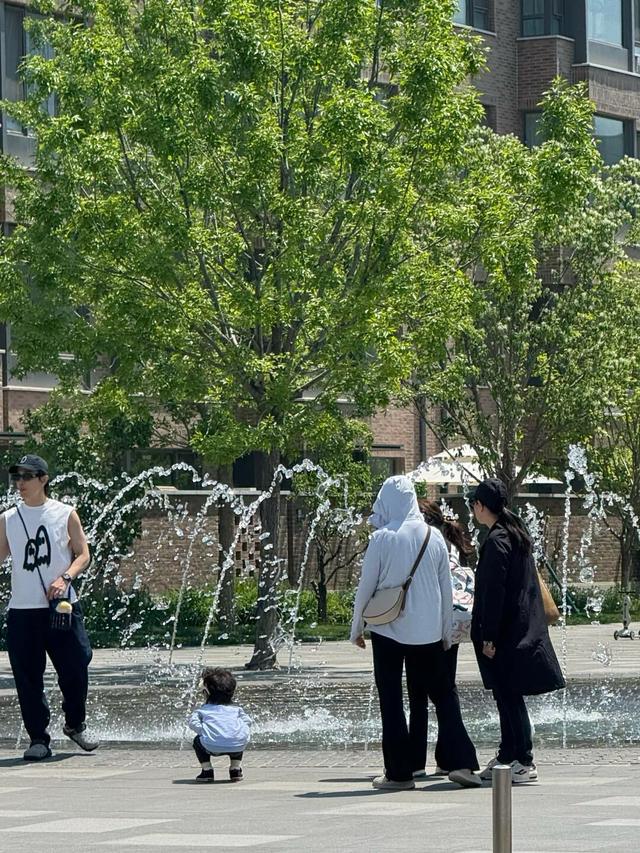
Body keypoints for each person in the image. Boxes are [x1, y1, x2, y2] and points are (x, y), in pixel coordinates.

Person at [351, 475, 479, 790]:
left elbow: (366, 586)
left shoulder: (383, 538)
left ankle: (399, 773)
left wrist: (357, 626)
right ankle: (462, 762)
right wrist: (447, 629)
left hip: (388, 630)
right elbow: (445, 588)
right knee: (444, 696)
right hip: (429, 634)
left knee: (392, 700)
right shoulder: (434, 537)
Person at [1, 454, 98, 761]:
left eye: (27, 477)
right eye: (17, 477)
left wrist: (65, 577)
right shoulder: (7, 518)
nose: (21, 483)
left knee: (77, 664)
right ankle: (39, 738)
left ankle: (74, 723)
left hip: (62, 606)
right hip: (22, 610)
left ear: (43, 479)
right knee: (27, 676)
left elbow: (83, 554)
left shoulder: (65, 513)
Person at [470, 478, 565, 784]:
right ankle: (508, 754)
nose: (473, 510)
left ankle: (522, 759)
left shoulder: (498, 540)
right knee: (506, 694)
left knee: (509, 696)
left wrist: (489, 637)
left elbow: (494, 593)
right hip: (518, 627)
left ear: (481, 506)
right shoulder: (515, 534)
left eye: (474, 504)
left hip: (505, 632)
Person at [419, 499, 474, 776]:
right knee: (443, 686)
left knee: (440, 690)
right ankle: (445, 755)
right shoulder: (450, 540)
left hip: (437, 623)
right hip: (454, 624)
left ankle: (459, 756)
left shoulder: (432, 541)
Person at [188, 667, 252, 783]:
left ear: (206, 692)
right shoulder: (236, 709)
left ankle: (207, 771)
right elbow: (248, 721)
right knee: (237, 735)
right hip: (237, 746)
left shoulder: (204, 710)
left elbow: (192, 723)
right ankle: (235, 770)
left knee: (197, 741)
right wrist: (241, 729)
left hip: (211, 746)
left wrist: (204, 732)